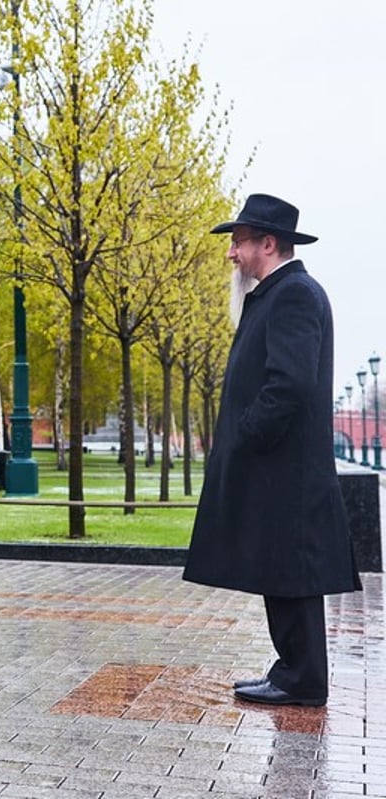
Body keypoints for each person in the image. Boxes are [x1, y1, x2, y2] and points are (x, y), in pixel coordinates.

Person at [184, 193, 361, 707]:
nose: (231, 253)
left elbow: (289, 383)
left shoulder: (295, 295)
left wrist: (247, 434)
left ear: (268, 242)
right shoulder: (277, 293)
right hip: (277, 467)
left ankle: (302, 679)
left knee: (293, 573)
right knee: (281, 569)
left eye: (237, 242)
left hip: (286, 467)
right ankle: (293, 672)